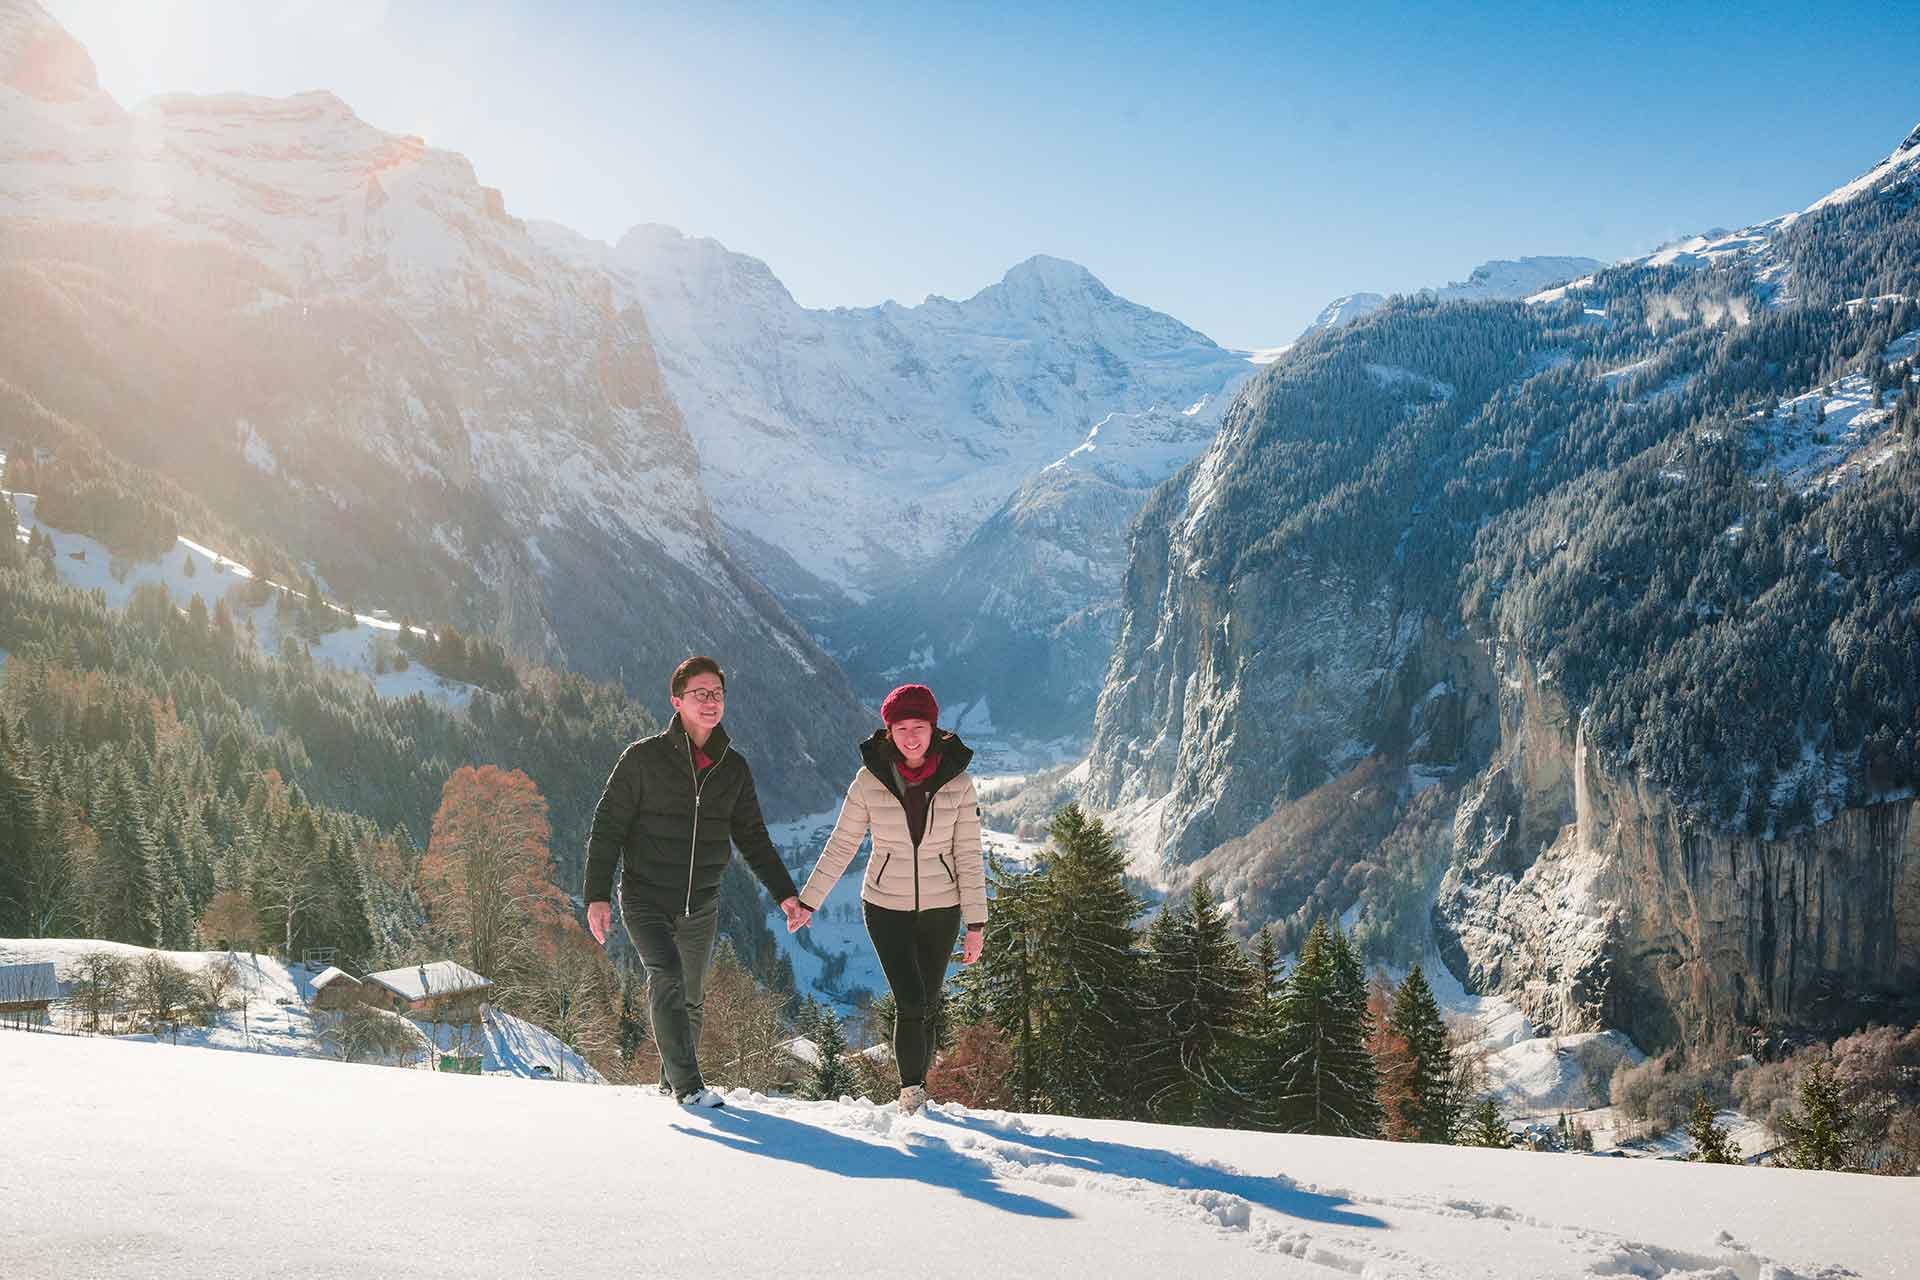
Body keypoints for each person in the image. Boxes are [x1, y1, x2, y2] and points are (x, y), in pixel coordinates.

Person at [584, 655, 808, 1108]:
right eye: (700, 694)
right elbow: (607, 825)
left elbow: (753, 837)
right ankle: (689, 1089)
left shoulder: (733, 768)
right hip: (645, 895)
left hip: (700, 902)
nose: (710, 702)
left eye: (717, 694)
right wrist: (596, 895)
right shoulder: (643, 759)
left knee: (691, 997)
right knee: (665, 977)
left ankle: (671, 1083)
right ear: (676, 700)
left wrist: (785, 893)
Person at [788, 683, 986, 1115]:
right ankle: (911, 1095)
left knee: (928, 1003)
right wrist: (809, 902)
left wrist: (976, 925)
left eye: (919, 727)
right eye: (901, 728)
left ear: (934, 729)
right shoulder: (869, 779)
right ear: (888, 731)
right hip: (884, 907)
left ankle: (921, 1089)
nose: (911, 737)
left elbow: (969, 855)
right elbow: (842, 844)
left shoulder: (959, 781)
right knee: (911, 1000)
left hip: (942, 907)